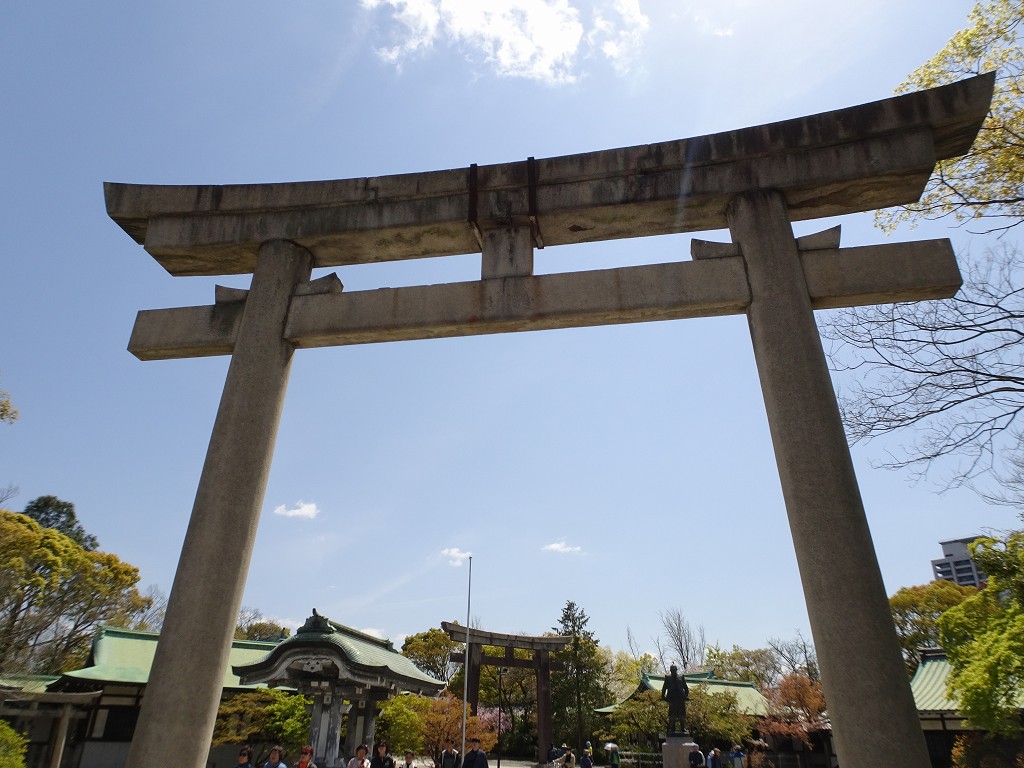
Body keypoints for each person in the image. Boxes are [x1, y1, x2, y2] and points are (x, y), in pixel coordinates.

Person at [662, 664, 690, 735]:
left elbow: (686, 688)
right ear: (670, 671)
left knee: (682, 714)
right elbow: (664, 688)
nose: (673, 671)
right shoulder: (668, 678)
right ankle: (672, 729)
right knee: (672, 714)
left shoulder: (681, 677)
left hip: (680, 698)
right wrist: (663, 696)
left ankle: (682, 728)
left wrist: (685, 696)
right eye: (672, 670)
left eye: (674, 670)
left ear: (676, 670)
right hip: (672, 698)